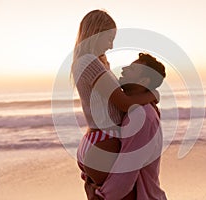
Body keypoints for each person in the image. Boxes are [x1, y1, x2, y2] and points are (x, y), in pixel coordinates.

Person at [70, 10, 159, 199]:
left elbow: (116, 96)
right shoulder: (89, 62)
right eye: (109, 38)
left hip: (97, 140)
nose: (111, 46)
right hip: (104, 139)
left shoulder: (94, 61)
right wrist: (152, 94)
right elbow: (124, 103)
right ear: (97, 32)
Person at [87, 53, 167, 200]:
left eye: (132, 69)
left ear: (143, 81)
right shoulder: (132, 110)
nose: (124, 69)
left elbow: (127, 171)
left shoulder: (141, 116)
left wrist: (101, 196)